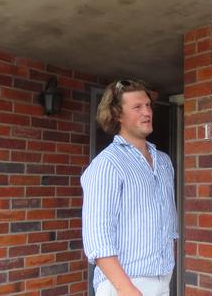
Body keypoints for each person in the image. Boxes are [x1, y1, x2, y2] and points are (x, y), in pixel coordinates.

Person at [81, 79, 178, 296]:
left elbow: (169, 224)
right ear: (117, 115)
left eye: (148, 105)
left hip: (162, 279)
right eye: (137, 107)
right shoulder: (107, 163)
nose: (147, 112)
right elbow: (98, 237)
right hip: (123, 285)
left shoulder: (163, 161)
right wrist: (126, 289)